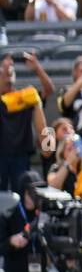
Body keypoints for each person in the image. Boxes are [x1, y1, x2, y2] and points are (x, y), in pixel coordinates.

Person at [3, 171, 55, 272]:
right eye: (33, 191)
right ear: (24, 192)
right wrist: (12, 241)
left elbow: (54, 242)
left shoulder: (46, 216)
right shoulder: (8, 216)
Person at [0, 53, 52, 192]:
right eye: (4, 66)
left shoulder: (26, 97)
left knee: (23, 196)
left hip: (21, 156)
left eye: (11, 66)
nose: (8, 69)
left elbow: (49, 90)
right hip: (1, 155)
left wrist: (37, 68)